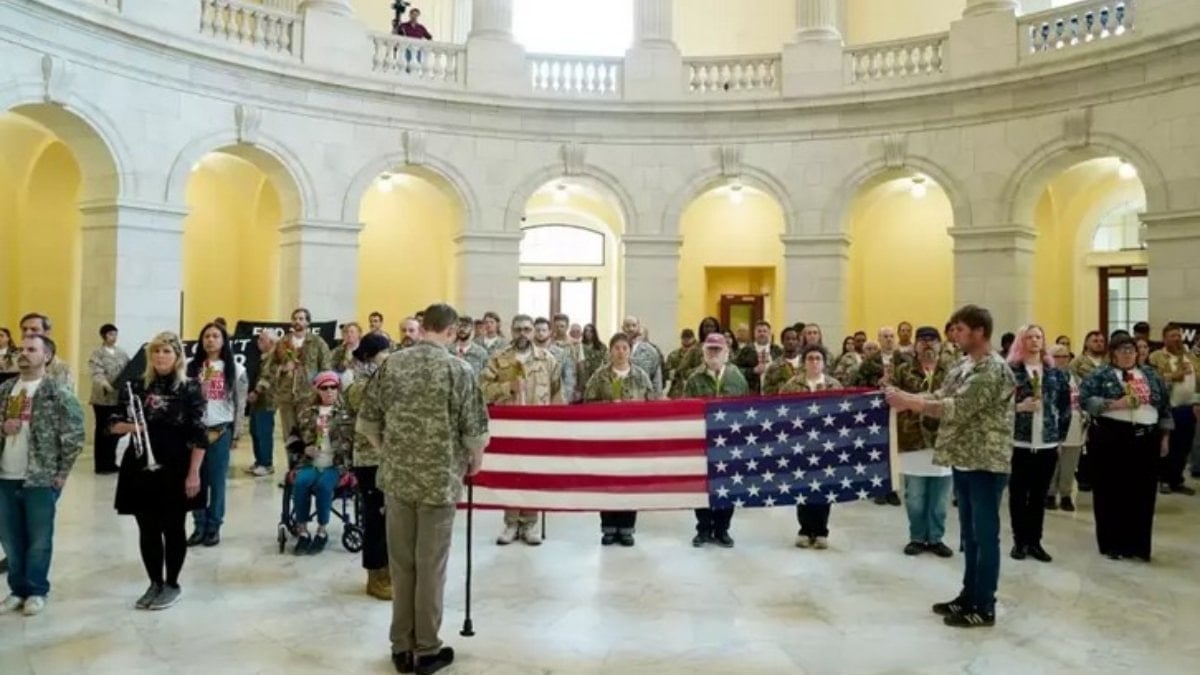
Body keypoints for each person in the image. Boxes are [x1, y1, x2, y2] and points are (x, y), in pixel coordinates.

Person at [357, 303, 489, 675]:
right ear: (448, 332)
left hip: (397, 481)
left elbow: (368, 423)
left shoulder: (392, 364)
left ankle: (401, 646)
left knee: (402, 566)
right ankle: (427, 649)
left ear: (423, 327)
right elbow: (475, 431)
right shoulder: (458, 370)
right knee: (431, 567)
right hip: (438, 483)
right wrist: (474, 462)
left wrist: (390, 452)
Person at [886, 305, 1015, 629]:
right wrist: (903, 394)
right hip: (964, 458)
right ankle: (968, 595)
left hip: (986, 461)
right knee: (969, 536)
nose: (953, 335)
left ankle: (984, 605)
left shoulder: (993, 369)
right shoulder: (962, 365)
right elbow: (941, 393)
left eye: (959, 329)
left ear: (979, 332)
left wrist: (911, 404)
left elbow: (957, 407)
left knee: (985, 536)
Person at [111, 332, 207, 611]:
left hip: (177, 463)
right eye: (156, 351)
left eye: (166, 351)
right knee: (147, 527)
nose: (160, 356)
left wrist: (194, 473)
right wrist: (133, 427)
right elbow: (113, 423)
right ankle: (154, 582)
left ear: (177, 356)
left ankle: (172, 584)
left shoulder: (189, 388)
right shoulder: (136, 385)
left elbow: (199, 435)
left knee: (174, 526)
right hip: (140, 463)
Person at [0, 334, 84, 616]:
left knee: (38, 538)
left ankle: (36, 589)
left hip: (40, 476)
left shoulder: (57, 391)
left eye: (31, 349)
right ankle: (17, 589)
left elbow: (74, 436)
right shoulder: (6, 389)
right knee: (10, 537)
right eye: (22, 349)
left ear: (46, 356)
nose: (24, 354)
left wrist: (61, 473)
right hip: (6, 474)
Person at [1080, 334, 1173, 561]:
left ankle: (1138, 544)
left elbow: (1164, 407)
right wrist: (1113, 404)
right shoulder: (1100, 374)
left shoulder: (1150, 374)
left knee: (1142, 492)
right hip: (1112, 437)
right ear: (1113, 353)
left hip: (1145, 438)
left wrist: (1165, 437)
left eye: (1131, 350)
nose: (1127, 354)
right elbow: (1084, 399)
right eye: (1122, 350)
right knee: (1111, 491)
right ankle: (1112, 543)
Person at [480, 315, 562, 545]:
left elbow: (557, 394)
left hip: (538, 429)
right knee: (511, 475)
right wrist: (507, 387)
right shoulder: (498, 359)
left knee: (532, 476)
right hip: (509, 429)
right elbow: (482, 389)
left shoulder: (547, 359)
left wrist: (557, 428)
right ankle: (511, 523)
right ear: (511, 331)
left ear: (533, 331)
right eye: (518, 330)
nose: (523, 334)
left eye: (527, 329)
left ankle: (530, 524)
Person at [582, 333, 657, 546]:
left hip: (633, 440)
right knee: (607, 483)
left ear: (630, 351)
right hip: (606, 439)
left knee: (630, 483)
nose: (621, 352)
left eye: (625, 348)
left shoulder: (640, 376)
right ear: (610, 351)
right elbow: (588, 404)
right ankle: (608, 527)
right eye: (617, 348)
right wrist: (607, 407)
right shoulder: (599, 376)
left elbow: (652, 405)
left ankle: (626, 528)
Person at [333, 333, 393, 598]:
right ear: (370, 355)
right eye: (384, 352)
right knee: (374, 517)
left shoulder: (383, 376)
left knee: (390, 516)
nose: (389, 357)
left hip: (389, 456)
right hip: (368, 458)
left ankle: (390, 570)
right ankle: (375, 575)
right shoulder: (355, 379)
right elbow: (366, 404)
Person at [1006, 325, 1070, 564]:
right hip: (1019, 441)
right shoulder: (1011, 371)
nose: (1034, 341)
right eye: (1029, 337)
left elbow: (1064, 408)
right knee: (1018, 493)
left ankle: (1035, 541)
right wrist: (1019, 407)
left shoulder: (1055, 373)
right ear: (1021, 342)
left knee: (1039, 494)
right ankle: (1019, 541)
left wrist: (1060, 437)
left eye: (1038, 337)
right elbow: (996, 405)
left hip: (1047, 442)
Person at [893, 326, 954, 558]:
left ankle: (936, 538)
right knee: (915, 496)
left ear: (940, 345)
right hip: (912, 440)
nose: (928, 344)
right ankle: (917, 537)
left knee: (939, 498)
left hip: (944, 440)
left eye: (933, 340)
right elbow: (892, 397)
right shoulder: (902, 370)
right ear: (915, 346)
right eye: (923, 340)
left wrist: (912, 401)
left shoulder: (951, 371)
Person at [185, 323, 247, 548]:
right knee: (194, 479)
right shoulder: (190, 367)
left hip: (220, 429)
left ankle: (214, 525)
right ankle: (198, 523)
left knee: (217, 480)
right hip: (195, 429)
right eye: (206, 336)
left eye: (215, 336)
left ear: (223, 340)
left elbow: (240, 404)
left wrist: (237, 433)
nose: (210, 340)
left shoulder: (235, 369)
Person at [684, 333, 748, 547]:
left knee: (726, 487)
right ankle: (703, 529)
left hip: (729, 444)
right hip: (702, 442)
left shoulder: (737, 378)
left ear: (726, 353)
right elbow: (686, 410)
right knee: (702, 488)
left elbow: (745, 410)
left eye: (717, 350)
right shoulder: (694, 379)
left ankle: (722, 529)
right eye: (710, 350)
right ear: (703, 353)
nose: (713, 354)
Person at [780, 345, 843, 549]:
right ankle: (805, 529)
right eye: (810, 358)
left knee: (824, 487)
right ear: (804, 362)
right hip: (801, 445)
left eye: (818, 358)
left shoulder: (834, 386)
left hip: (827, 445)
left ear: (824, 362)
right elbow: (781, 412)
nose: (814, 362)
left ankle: (822, 530)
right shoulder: (792, 385)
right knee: (803, 486)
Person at [290, 371, 347, 556]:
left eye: (333, 387)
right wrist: (304, 449)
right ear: (318, 390)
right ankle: (303, 530)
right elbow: (292, 438)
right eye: (325, 387)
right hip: (310, 462)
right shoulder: (306, 413)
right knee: (300, 483)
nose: (329, 391)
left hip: (335, 464)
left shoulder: (347, 413)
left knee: (324, 486)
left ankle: (322, 531)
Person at [1147, 323, 1199, 496]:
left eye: (1178, 335)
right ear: (1164, 338)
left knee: (1183, 446)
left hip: (1188, 408)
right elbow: (1153, 379)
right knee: (1166, 446)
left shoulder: (1190, 356)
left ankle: (1177, 479)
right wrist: (1174, 376)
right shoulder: (1156, 356)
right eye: (1173, 336)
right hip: (1168, 408)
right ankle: (1163, 479)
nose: (1177, 339)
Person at [264, 308, 331, 438]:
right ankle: (292, 458)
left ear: (307, 322)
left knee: (307, 434)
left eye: (301, 319)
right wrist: (282, 368)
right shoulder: (283, 342)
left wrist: (321, 391)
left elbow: (326, 369)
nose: (297, 321)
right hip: (286, 396)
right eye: (295, 319)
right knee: (290, 436)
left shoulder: (317, 343)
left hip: (308, 395)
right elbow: (270, 367)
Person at [87, 323, 130, 475]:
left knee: (116, 430)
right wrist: (105, 384)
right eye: (111, 334)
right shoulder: (97, 353)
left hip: (118, 398)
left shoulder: (121, 352)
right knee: (102, 431)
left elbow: (129, 369)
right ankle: (101, 464)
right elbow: (96, 372)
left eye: (115, 334)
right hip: (102, 399)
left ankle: (111, 462)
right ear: (104, 336)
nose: (114, 337)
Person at [1046, 345, 1084, 512]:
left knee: (1070, 463)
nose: (1061, 360)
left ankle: (1066, 494)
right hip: (1053, 425)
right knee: (1052, 462)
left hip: (1075, 423)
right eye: (1057, 356)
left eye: (1065, 356)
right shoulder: (1046, 376)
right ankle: (1050, 493)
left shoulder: (1075, 378)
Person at [246, 331, 278, 477]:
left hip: (266, 401)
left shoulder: (275, 358)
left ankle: (267, 463)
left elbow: (267, 378)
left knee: (264, 432)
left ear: (271, 342)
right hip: (256, 401)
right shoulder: (263, 358)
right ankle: (259, 461)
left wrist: (256, 392)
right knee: (254, 431)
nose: (258, 341)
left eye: (262, 339)